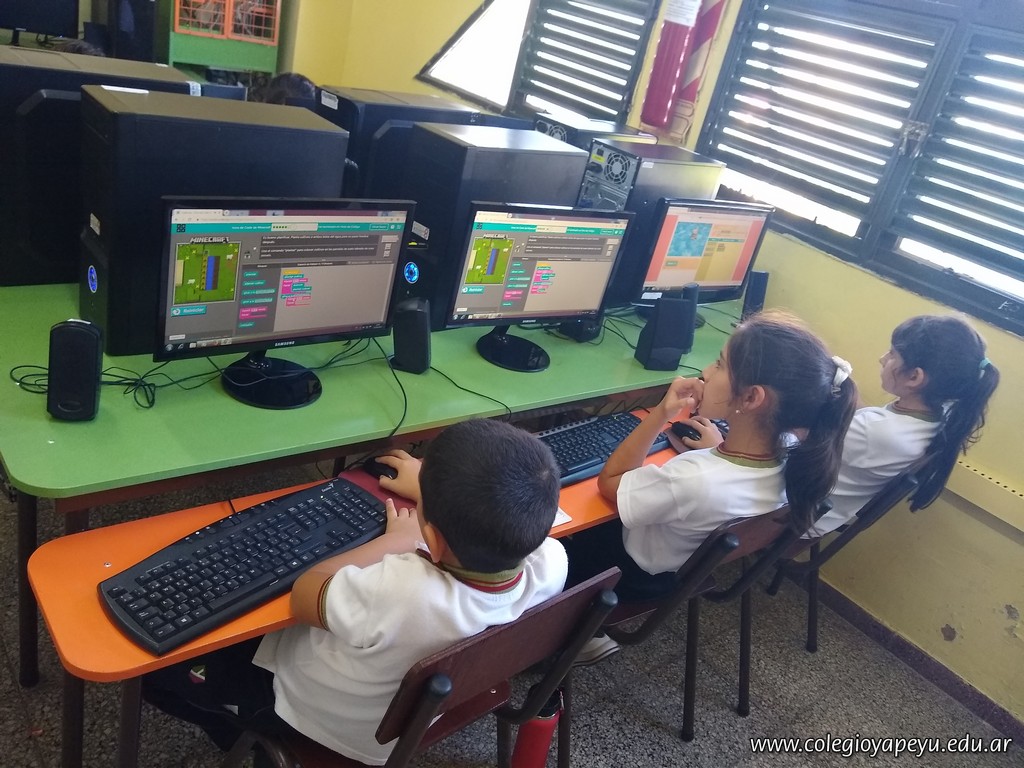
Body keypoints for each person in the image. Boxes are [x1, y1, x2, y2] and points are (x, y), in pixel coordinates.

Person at [142, 419, 567, 765]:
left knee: (154, 676)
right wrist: (435, 499)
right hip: (413, 717)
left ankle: (246, 739)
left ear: (434, 541)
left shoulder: (400, 592)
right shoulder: (553, 565)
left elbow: (306, 592)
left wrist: (392, 543)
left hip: (313, 716)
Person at [563, 310, 857, 661]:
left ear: (751, 398)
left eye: (719, 364)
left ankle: (571, 635)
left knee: (558, 528)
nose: (705, 372)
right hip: (677, 572)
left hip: (627, 574)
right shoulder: (796, 459)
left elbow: (610, 481)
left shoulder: (694, 479)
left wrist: (661, 413)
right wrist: (718, 448)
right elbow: (729, 474)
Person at [808, 314, 999, 536]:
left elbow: (805, 444)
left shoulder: (878, 432)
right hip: (831, 510)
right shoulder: (935, 418)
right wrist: (847, 388)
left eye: (892, 354)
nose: (882, 359)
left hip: (799, 515)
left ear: (914, 377)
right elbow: (867, 423)